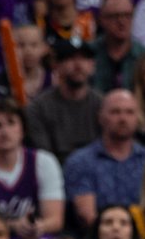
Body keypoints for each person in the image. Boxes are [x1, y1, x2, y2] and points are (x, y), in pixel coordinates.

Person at [0, 97, 65, 239]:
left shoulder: (43, 161)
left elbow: (56, 219)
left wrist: (39, 226)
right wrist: (14, 226)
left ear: (23, 130)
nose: (4, 131)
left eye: (11, 123)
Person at [63, 90, 145, 229]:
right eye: (115, 112)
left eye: (129, 112)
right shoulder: (80, 161)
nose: (123, 118)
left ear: (138, 117)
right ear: (100, 117)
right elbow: (87, 216)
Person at [25, 37, 102, 165]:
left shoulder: (103, 105)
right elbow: (44, 158)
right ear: (56, 65)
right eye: (70, 58)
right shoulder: (38, 108)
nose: (78, 65)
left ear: (92, 65)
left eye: (84, 58)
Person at [91, 0, 145, 93]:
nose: (122, 22)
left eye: (127, 15)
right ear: (101, 20)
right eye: (115, 16)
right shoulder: (87, 54)